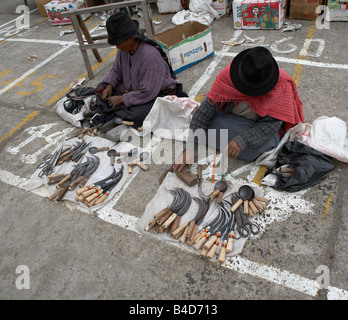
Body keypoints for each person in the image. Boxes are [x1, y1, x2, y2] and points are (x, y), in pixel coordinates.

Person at [173, 46, 305, 171]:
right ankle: (228, 142)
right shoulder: (228, 75)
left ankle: (232, 142)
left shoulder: (281, 86)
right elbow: (204, 113)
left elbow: (270, 126)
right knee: (202, 123)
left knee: (266, 146)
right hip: (231, 119)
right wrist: (190, 149)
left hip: (257, 127)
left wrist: (242, 141)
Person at [91, 12, 186, 132]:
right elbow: (116, 70)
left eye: (119, 43)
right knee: (101, 88)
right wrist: (110, 85)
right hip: (132, 90)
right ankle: (116, 111)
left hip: (155, 95)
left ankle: (116, 112)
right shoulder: (123, 50)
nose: (117, 47)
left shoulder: (149, 56)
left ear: (130, 38)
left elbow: (147, 91)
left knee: (138, 114)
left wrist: (122, 99)